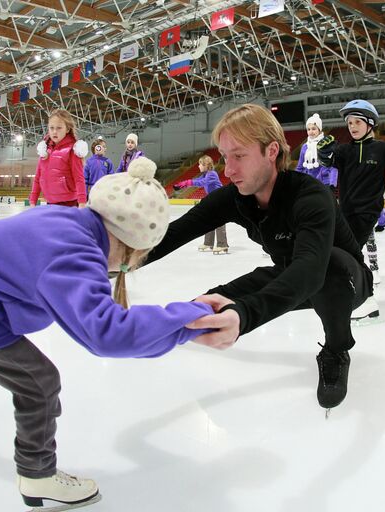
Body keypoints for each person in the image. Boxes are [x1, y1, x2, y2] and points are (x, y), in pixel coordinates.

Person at [0, 157, 216, 509]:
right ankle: (37, 473)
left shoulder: (71, 221)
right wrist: (189, 319)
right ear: (131, 244)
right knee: (39, 382)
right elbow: (106, 333)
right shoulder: (77, 252)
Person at [147, 104, 373, 414]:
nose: (228, 170)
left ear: (271, 151)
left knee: (329, 265)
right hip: (289, 275)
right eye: (225, 157)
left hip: (343, 281)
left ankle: (336, 349)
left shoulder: (311, 196)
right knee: (210, 301)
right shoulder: (236, 197)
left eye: (238, 156)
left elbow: (310, 271)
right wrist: (117, 261)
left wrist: (244, 315)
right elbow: (175, 233)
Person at [317, 99, 385, 317]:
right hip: (345, 211)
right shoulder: (344, 151)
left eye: (357, 122)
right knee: (342, 252)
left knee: (351, 252)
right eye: (349, 122)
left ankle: (367, 299)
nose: (352, 126)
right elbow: (328, 162)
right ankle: (354, 294)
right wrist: (324, 153)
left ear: (370, 123)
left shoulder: (382, 149)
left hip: (368, 212)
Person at [30, 109, 89, 208]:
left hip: (69, 204)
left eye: (59, 128)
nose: (54, 131)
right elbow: (38, 178)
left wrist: (82, 203)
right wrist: (32, 201)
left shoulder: (72, 150)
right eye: (51, 128)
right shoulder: (44, 151)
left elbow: (79, 179)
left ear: (67, 129)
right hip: (50, 203)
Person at [173, 154, 229, 254]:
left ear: (206, 165)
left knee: (219, 222)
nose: (198, 166)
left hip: (221, 200)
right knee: (209, 221)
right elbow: (197, 180)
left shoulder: (212, 174)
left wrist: (186, 183)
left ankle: (222, 244)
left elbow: (201, 182)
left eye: (200, 164)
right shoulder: (206, 174)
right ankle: (208, 243)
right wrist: (184, 184)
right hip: (213, 201)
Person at [295, 113, 337, 191]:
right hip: (308, 183)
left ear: (319, 129)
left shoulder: (326, 145)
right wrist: (294, 181)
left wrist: (332, 184)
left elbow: (333, 167)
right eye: (308, 129)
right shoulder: (305, 146)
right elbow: (300, 167)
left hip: (324, 183)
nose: (311, 132)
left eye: (314, 129)